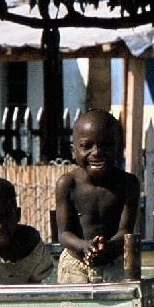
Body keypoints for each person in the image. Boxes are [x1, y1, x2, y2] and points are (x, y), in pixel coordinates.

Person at [54, 109, 141, 282]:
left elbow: (126, 231)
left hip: (116, 264)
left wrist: (105, 248)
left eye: (106, 145)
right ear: (73, 150)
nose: (96, 152)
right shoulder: (67, 184)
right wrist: (84, 246)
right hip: (75, 266)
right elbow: (64, 234)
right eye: (86, 146)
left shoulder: (128, 184)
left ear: (119, 149)